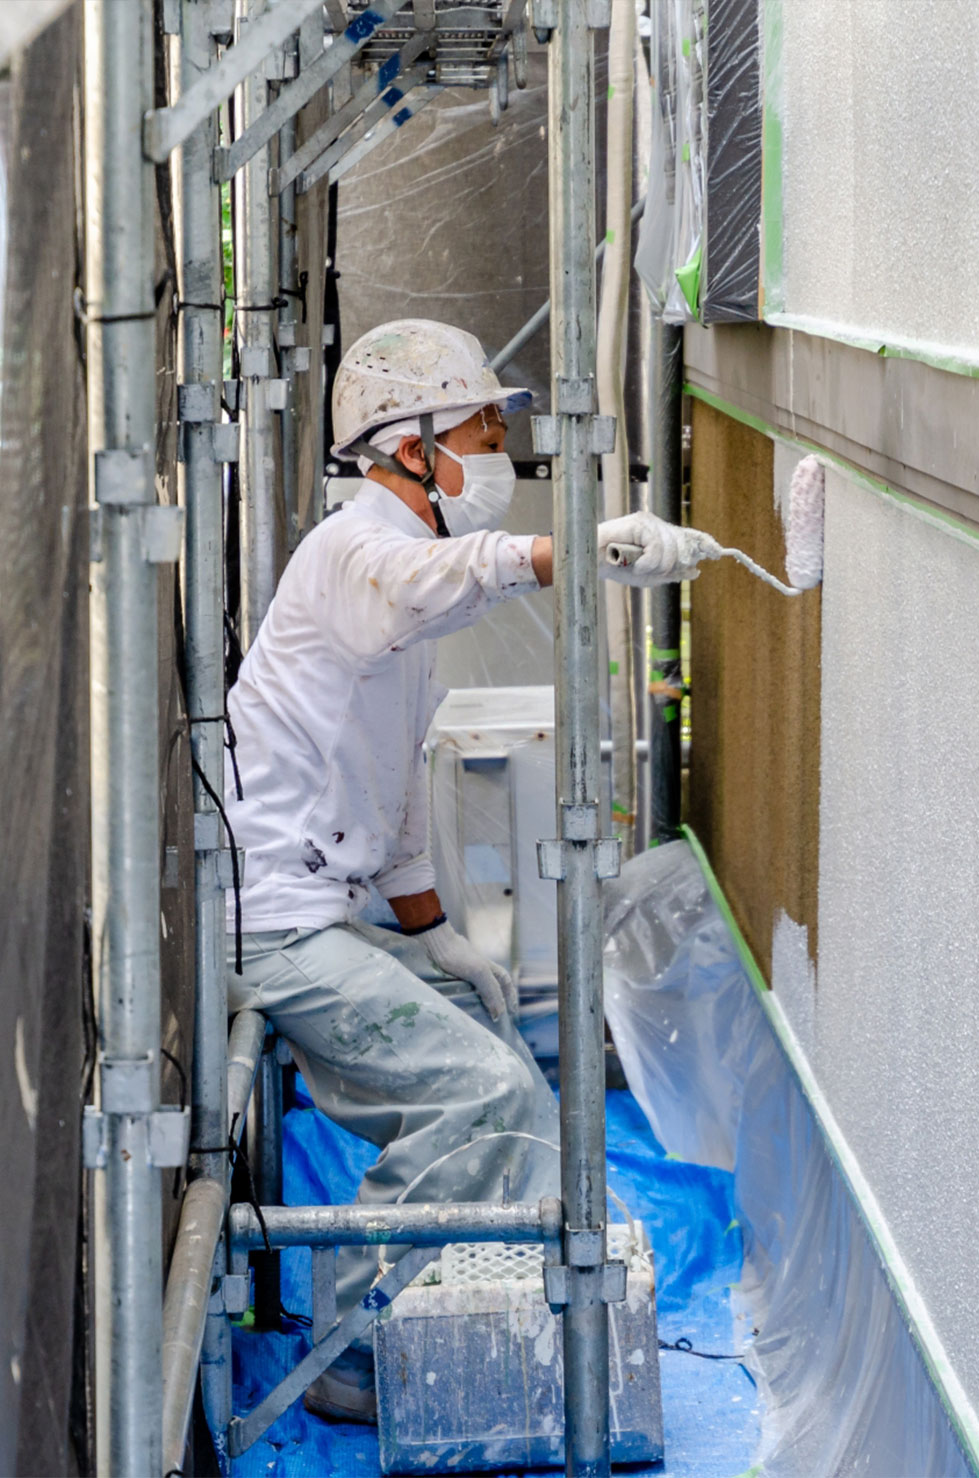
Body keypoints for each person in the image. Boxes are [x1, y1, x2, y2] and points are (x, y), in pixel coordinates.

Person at [223, 318, 709, 1420]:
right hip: (273, 922)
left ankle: (515, 1303)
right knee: (478, 1088)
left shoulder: (400, 587)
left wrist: (433, 925)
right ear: (408, 447)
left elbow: (393, 786)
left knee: (509, 1071)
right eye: (483, 423)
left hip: (323, 910)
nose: (500, 444)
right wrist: (564, 549)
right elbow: (435, 575)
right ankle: (347, 1345)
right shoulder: (358, 551)